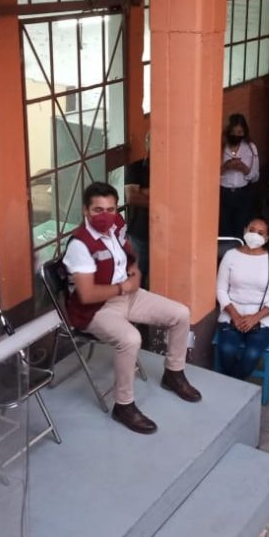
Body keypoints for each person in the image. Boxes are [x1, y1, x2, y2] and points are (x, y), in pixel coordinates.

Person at [62, 181, 201, 435]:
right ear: (85, 210)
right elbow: (87, 294)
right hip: (96, 309)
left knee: (180, 314)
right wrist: (123, 288)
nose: (105, 216)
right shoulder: (80, 245)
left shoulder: (116, 225)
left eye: (110, 209)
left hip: (129, 294)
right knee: (130, 339)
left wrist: (135, 274)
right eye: (98, 210)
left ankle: (174, 373)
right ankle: (123, 405)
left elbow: (129, 257)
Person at [215, 217, 269, 380]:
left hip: (263, 317)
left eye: (260, 233)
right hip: (232, 312)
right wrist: (235, 315)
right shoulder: (230, 256)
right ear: (244, 230)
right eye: (251, 230)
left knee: (251, 354)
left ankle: (230, 384)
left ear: (266, 238)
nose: (255, 235)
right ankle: (237, 386)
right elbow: (221, 289)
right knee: (226, 350)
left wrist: (255, 317)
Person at [219, 114, 260, 238]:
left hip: (243, 194)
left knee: (241, 230)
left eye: (239, 132)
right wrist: (225, 167)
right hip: (223, 193)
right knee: (224, 230)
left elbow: (255, 176)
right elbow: (209, 174)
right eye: (233, 132)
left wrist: (244, 169)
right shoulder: (220, 146)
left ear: (244, 132)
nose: (236, 135)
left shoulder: (250, 148)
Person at [125, 131, 151, 287]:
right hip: (140, 232)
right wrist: (161, 200)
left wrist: (145, 192)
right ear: (147, 144)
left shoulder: (171, 169)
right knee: (137, 275)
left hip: (167, 233)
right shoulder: (135, 168)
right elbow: (132, 197)